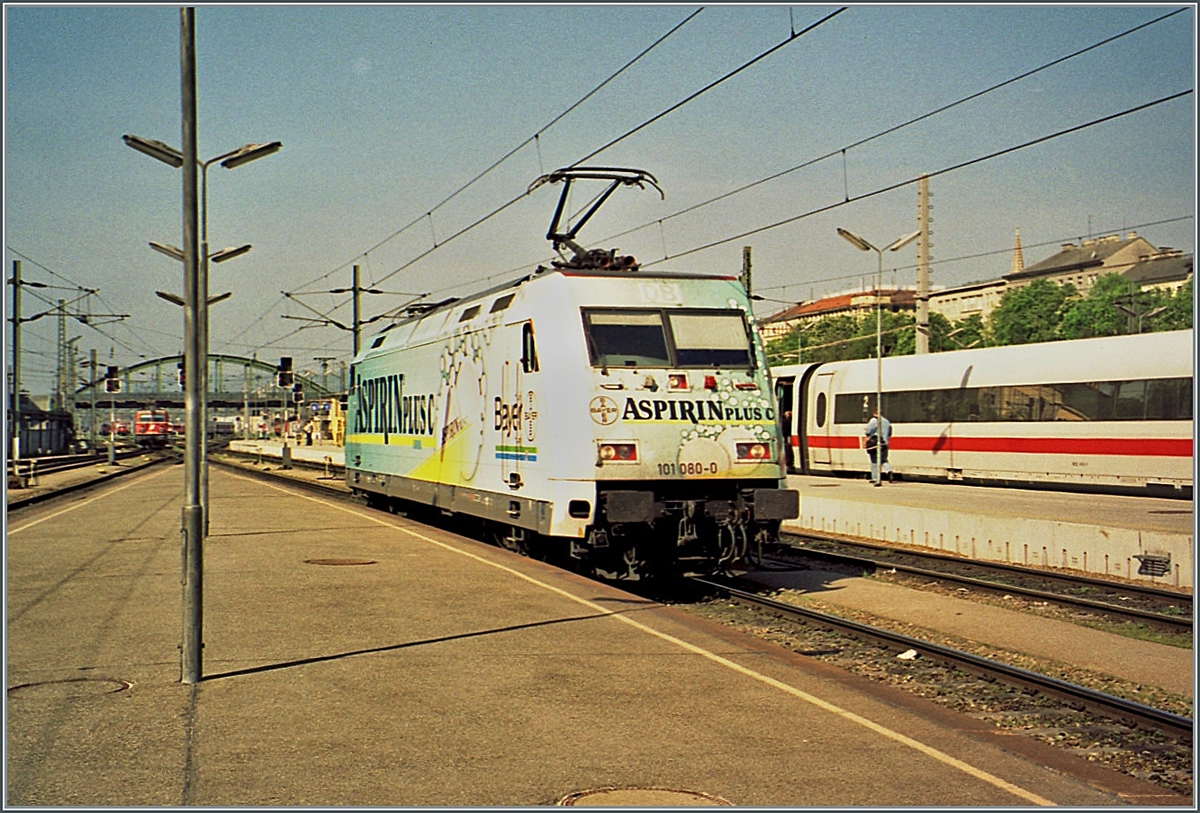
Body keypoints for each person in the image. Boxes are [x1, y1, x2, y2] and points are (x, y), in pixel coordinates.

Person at [863, 410, 892, 485]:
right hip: (885, 443)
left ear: (875, 413)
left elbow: (868, 431)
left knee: (874, 461)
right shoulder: (886, 421)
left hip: (875, 443)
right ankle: (888, 471)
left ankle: (875, 477)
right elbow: (890, 433)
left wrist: (867, 432)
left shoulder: (873, 421)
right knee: (884, 459)